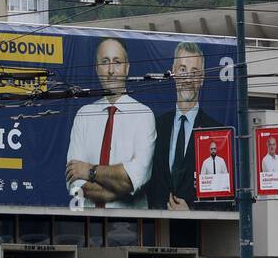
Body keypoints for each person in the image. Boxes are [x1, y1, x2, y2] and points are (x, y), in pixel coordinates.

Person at [65, 37, 155, 208]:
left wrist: (89, 171)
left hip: (130, 228)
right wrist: (116, 186)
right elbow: (74, 181)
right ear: (97, 68)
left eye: (117, 62)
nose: (111, 70)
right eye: (105, 62)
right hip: (88, 226)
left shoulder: (144, 115)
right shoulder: (83, 116)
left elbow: (131, 180)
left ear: (127, 68)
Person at [147, 42, 222, 210]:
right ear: (173, 73)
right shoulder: (156, 126)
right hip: (158, 228)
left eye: (194, 72)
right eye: (182, 69)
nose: (188, 78)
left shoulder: (216, 131)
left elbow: (221, 194)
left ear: (202, 78)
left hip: (199, 231)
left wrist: (191, 212)